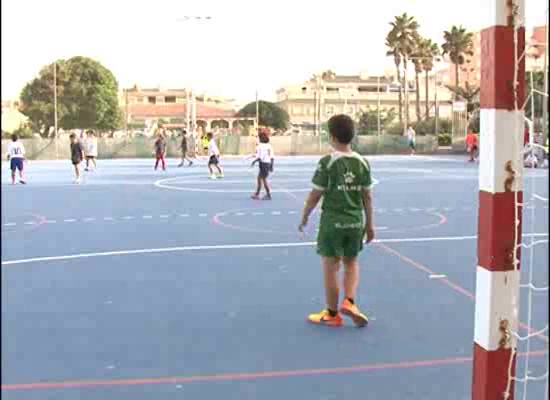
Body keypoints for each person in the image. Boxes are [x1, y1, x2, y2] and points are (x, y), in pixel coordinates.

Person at [299, 114, 374, 328]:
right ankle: (349, 301)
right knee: (351, 262)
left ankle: (332, 313)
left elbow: (315, 195)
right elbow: (367, 196)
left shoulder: (327, 162)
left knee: (331, 266)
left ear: (331, 136)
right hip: (355, 221)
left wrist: (305, 215)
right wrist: (370, 225)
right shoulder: (362, 162)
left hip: (333, 222)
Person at [251, 131, 273, 200]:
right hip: (267, 163)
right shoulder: (269, 146)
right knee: (260, 179)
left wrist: (254, 161)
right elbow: (272, 157)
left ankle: (268, 195)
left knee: (263, 180)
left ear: (261, 138)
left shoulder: (260, 146)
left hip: (263, 164)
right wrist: (271, 166)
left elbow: (259, 157)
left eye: (259, 137)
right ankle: (257, 194)